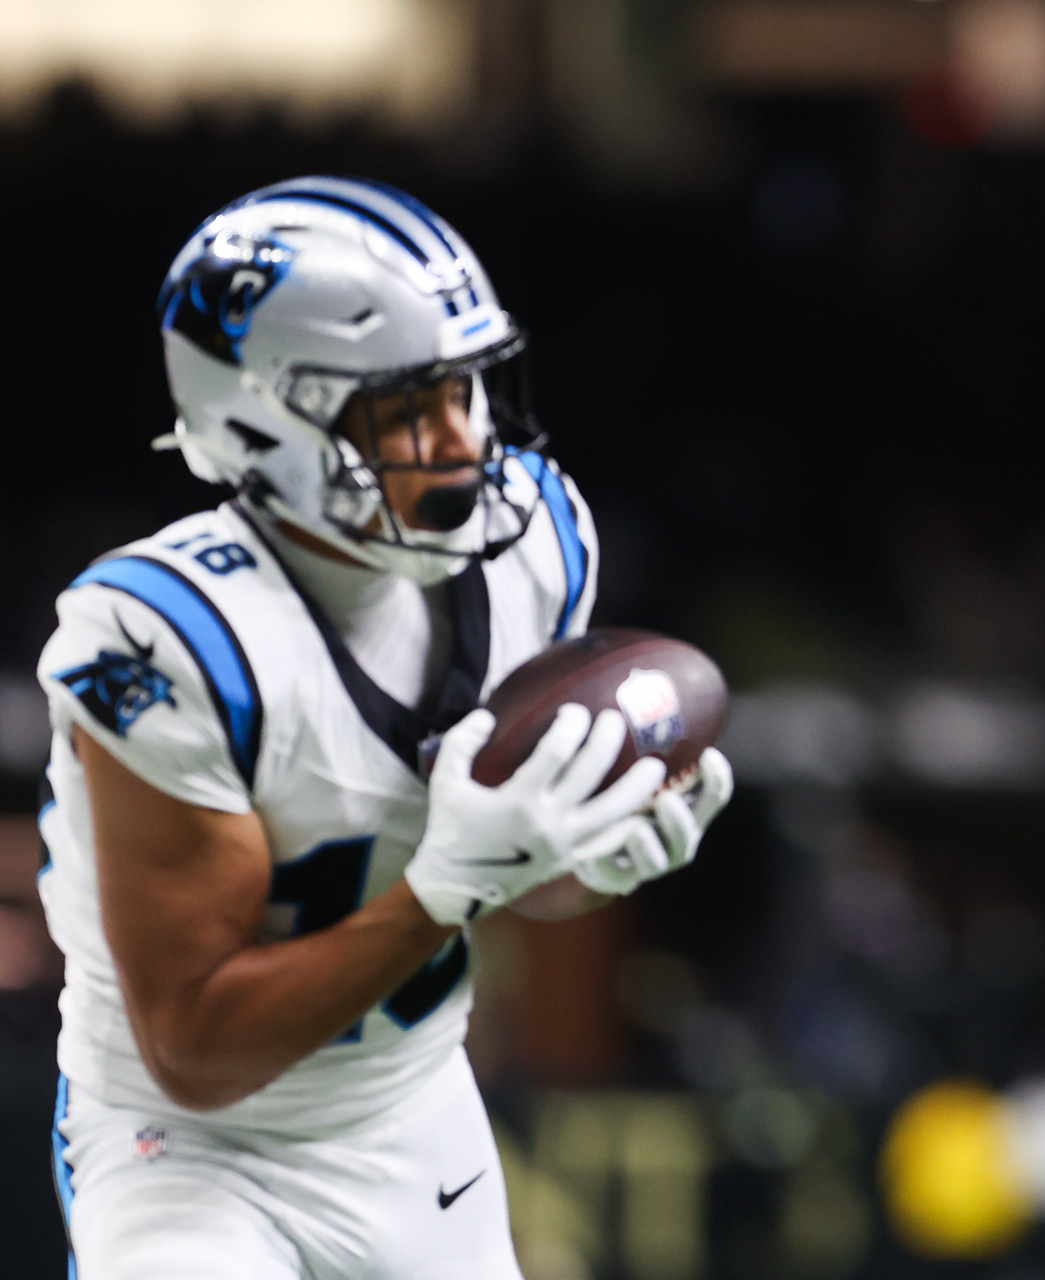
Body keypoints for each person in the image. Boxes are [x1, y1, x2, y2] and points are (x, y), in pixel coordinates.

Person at [38, 177, 732, 1280]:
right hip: (190, 1148)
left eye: (467, 390)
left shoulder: (535, 543)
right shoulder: (164, 637)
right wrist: (442, 893)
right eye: (409, 407)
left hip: (405, 1108)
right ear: (266, 417)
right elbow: (198, 1050)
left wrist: (587, 852)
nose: (463, 442)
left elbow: (517, 875)